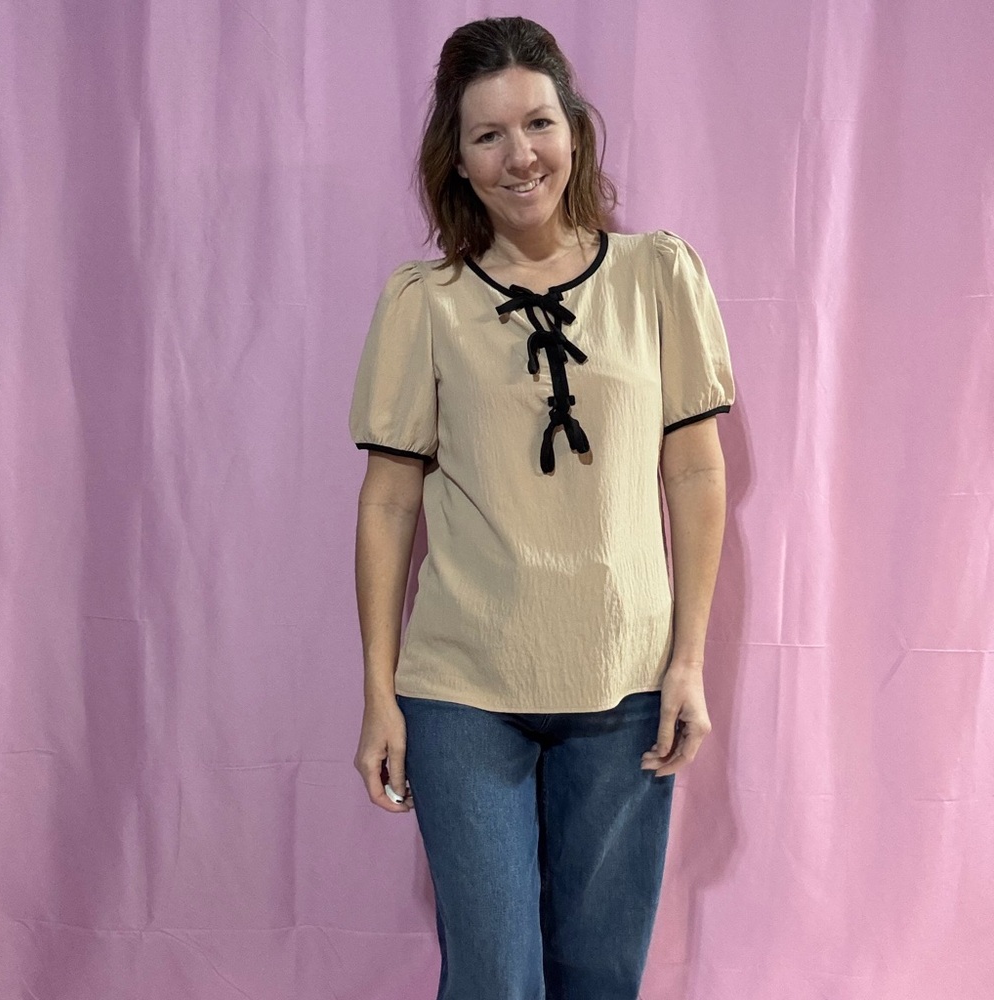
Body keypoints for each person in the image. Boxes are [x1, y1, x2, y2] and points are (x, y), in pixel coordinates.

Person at [349, 15, 734, 1000]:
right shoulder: (423, 301)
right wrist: (380, 691)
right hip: (462, 685)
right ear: (459, 161)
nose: (520, 154)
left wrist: (687, 662)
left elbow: (693, 474)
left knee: (599, 973)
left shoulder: (658, 276)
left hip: (626, 681)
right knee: (492, 978)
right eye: (488, 135)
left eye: (538, 123)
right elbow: (390, 500)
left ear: (576, 131)